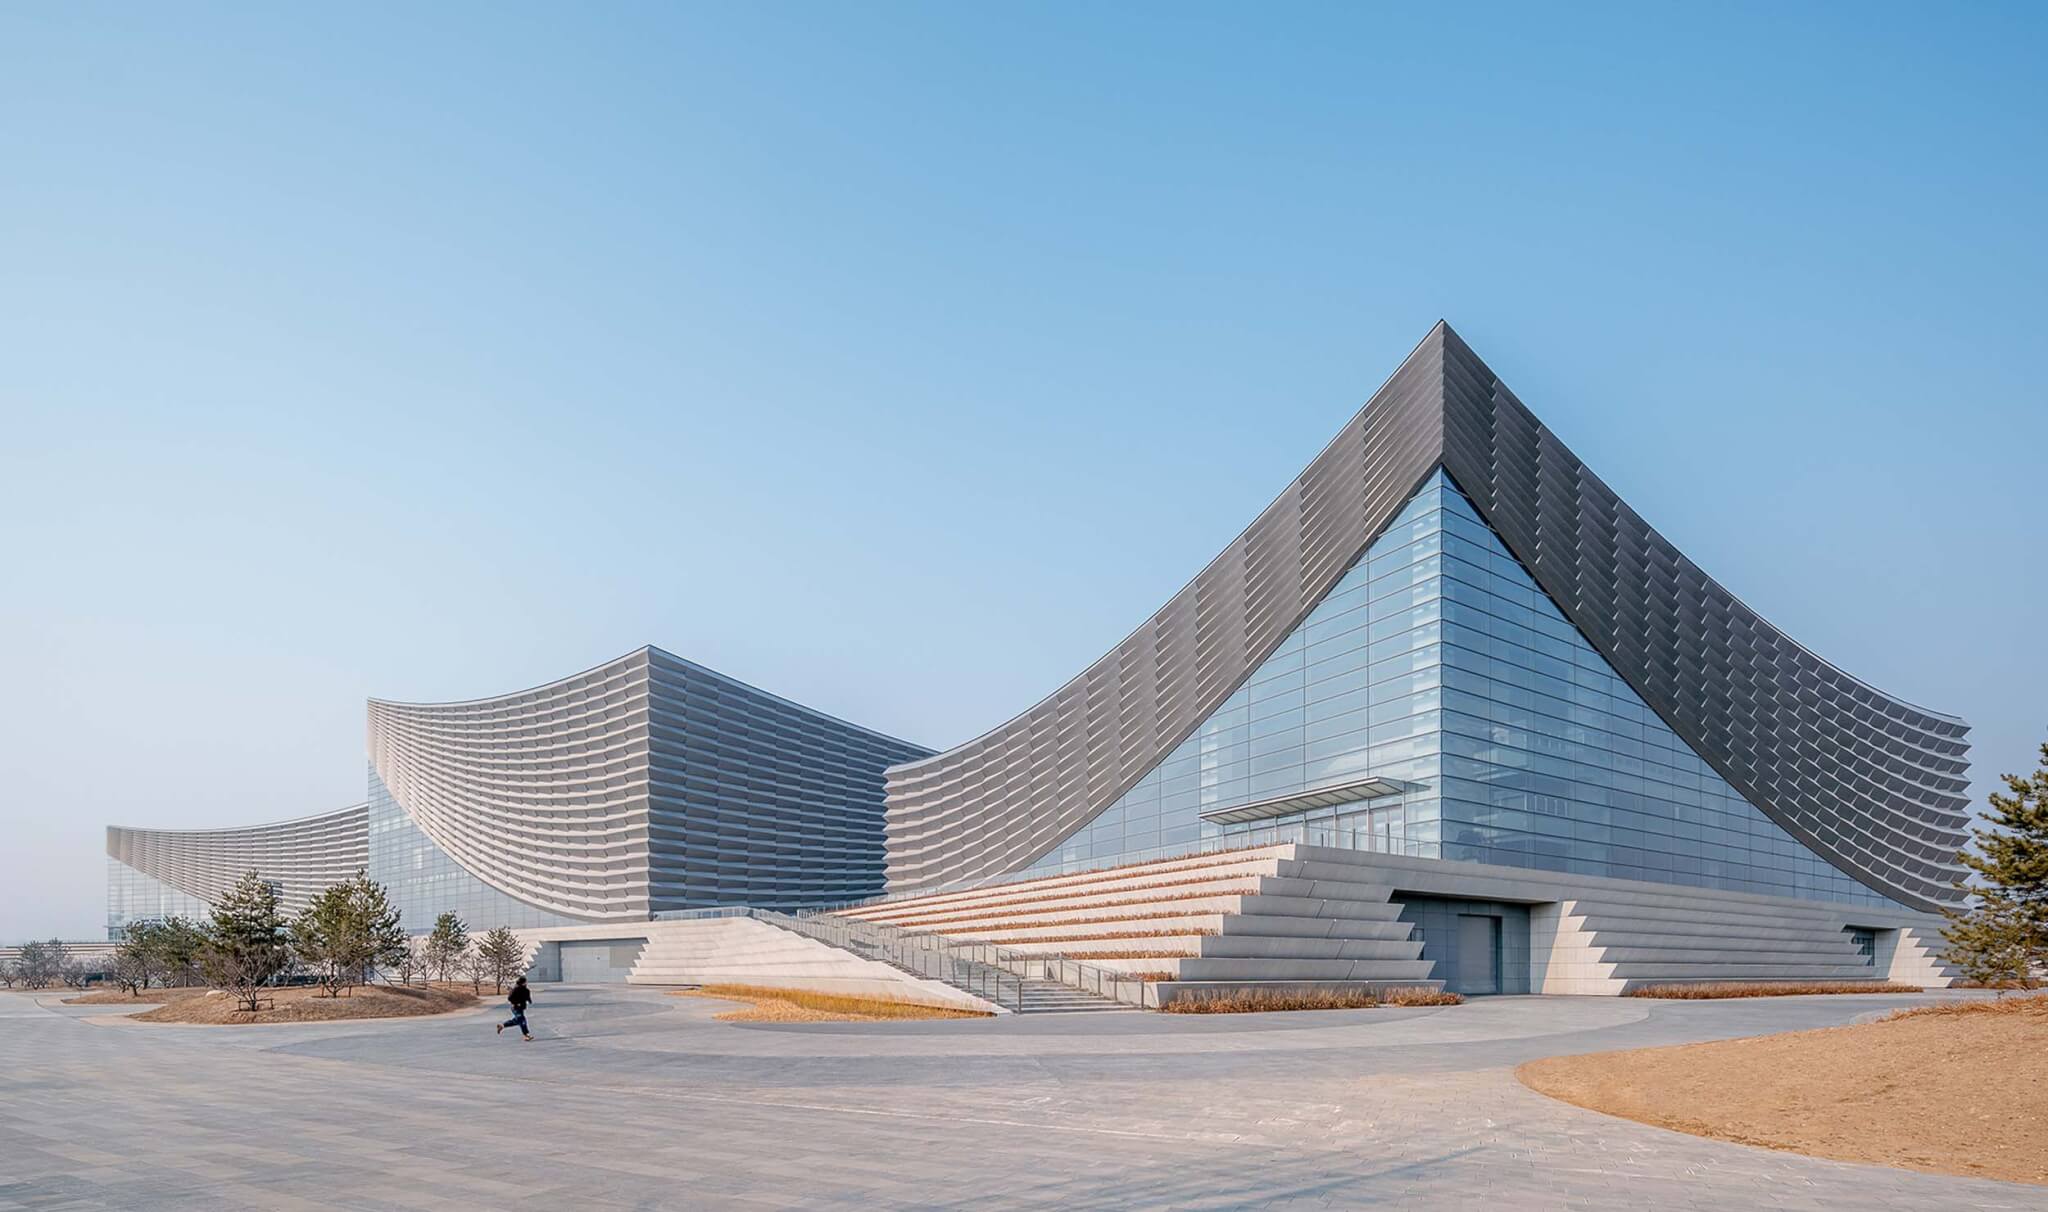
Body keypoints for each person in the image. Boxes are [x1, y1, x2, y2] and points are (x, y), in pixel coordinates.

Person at [497, 976, 534, 1041]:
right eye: (525, 982)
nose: (526, 983)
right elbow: (510, 998)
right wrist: (516, 1003)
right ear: (522, 982)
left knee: (517, 1021)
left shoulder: (526, 990)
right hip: (515, 1008)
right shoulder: (516, 989)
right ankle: (526, 1035)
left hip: (521, 1008)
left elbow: (527, 996)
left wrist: (529, 1000)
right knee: (522, 1020)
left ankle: (502, 1026)